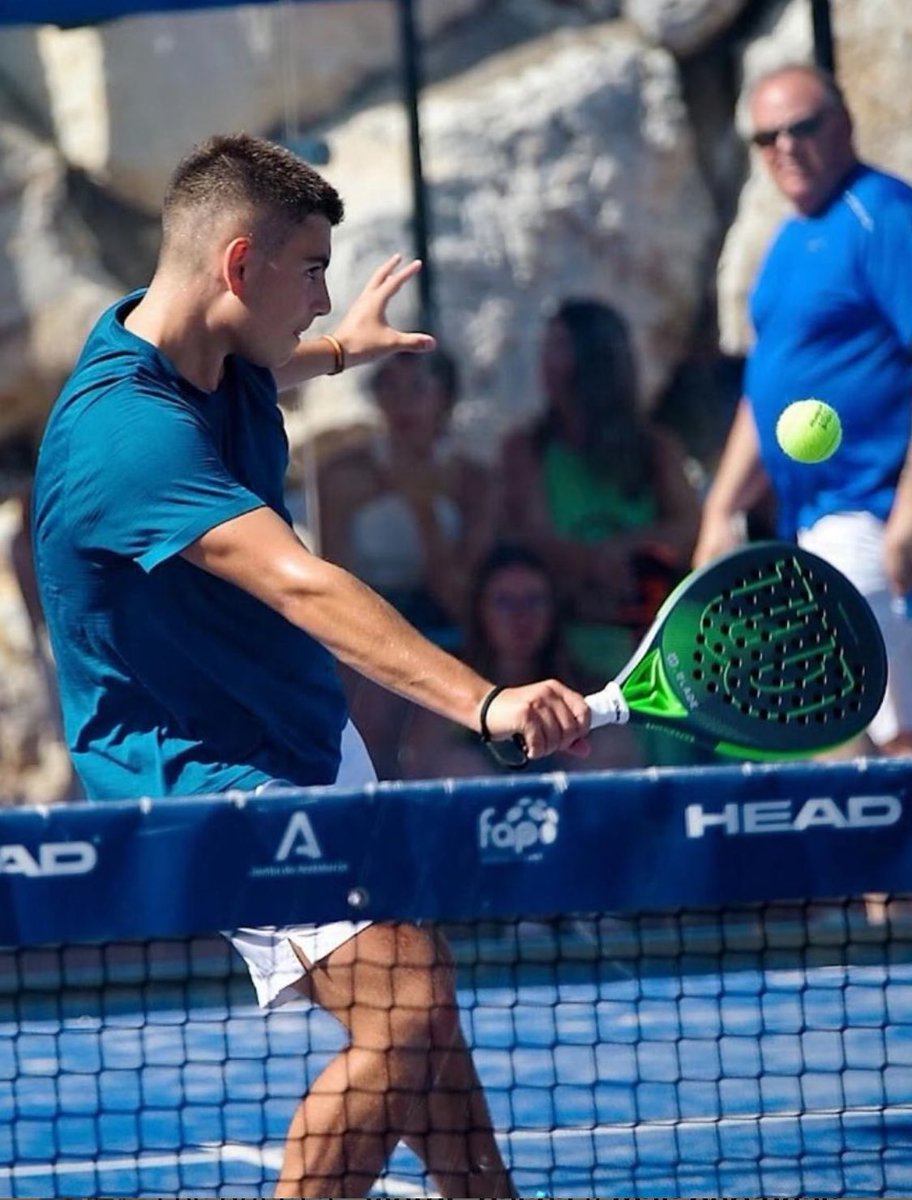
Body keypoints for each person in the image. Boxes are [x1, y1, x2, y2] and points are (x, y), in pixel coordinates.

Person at [31, 133, 592, 1198]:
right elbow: (302, 585)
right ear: (240, 266)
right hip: (215, 777)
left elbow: (262, 363)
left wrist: (339, 354)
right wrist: (487, 701)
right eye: (313, 272)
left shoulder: (200, 348)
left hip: (304, 740)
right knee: (409, 1006)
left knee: (428, 1037)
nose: (325, 297)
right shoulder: (126, 438)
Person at [693, 63, 912, 757]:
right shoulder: (788, 244)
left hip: (873, 517)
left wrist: (908, 515)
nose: (785, 146)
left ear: (844, 124)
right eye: (767, 138)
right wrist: (720, 509)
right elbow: (768, 391)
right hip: (814, 525)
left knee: (898, 743)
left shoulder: (885, 218)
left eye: (802, 127)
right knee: (854, 752)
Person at [498, 297, 700, 718]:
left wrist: (627, 549)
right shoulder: (528, 450)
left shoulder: (654, 448)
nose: (545, 362)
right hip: (564, 643)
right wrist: (593, 561)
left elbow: (689, 528)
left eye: (560, 347)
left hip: (649, 637)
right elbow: (533, 538)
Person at [317, 347, 496, 776]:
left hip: (449, 627)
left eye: (417, 388)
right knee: (370, 709)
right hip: (364, 621)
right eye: (389, 388)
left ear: (444, 398)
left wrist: (421, 508)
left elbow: (462, 596)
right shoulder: (341, 475)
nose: (402, 403)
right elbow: (333, 579)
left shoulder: (474, 481)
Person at [399, 543, 642, 778]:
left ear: (553, 611)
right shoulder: (448, 696)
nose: (521, 615)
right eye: (504, 602)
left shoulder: (591, 694)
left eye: (534, 600)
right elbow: (417, 771)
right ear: (479, 612)